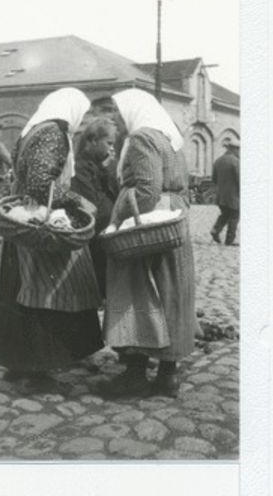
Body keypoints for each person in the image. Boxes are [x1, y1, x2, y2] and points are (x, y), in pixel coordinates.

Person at [0, 87, 104, 390]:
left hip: (24, 220)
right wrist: (78, 201)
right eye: (82, 112)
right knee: (47, 291)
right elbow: (41, 184)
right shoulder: (54, 132)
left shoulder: (32, 130)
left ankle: (18, 364)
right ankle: (37, 371)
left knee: (19, 291)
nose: (82, 120)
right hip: (42, 223)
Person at [98, 88, 196, 399]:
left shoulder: (141, 138)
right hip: (172, 222)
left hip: (147, 228)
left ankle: (135, 374)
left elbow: (147, 190)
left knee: (138, 294)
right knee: (171, 293)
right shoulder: (170, 138)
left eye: (117, 112)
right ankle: (168, 375)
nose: (115, 119)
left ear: (133, 111)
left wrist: (120, 222)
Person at [71, 118, 118, 297]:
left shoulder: (99, 164)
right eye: (109, 143)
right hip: (96, 234)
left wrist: (108, 168)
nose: (111, 148)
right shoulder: (80, 167)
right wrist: (106, 170)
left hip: (106, 230)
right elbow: (90, 203)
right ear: (93, 141)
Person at [210, 138, 240, 246]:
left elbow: (214, 179)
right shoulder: (236, 161)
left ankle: (215, 230)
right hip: (233, 196)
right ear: (234, 149)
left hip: (221, 196)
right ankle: (229, 240)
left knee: (225, 214)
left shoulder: (218, 160)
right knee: (235, 215)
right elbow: (240, 180)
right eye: (238, 149)